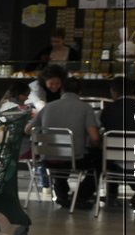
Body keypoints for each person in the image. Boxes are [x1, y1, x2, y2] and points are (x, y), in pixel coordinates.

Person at [31, 75, 100, 209]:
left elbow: (29, 129)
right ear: (80, 92)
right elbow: (95, 138)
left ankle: (62, 195)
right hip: (74, 159)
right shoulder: (85, 108)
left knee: (59, 158)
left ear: (61, 90)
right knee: (98, 161)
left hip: (47, 158)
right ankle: (80, 197)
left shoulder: (47, 107)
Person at [98, 76, 135, 206]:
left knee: (100, 154)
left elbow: (96, 135)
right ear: (133, 90)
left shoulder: (106, 111)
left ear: (113, 92)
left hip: (115, 162)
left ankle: (111, 196)